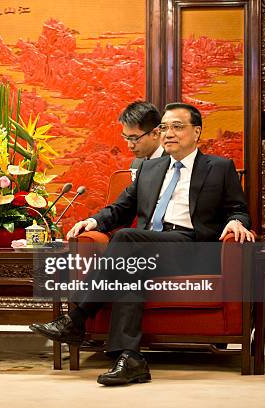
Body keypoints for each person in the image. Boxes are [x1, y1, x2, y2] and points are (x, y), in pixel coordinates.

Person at [30, 102, 253, 386]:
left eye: (177, 127)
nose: (169, 133)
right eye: (164, 128)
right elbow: (121, 208)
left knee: (126, 239)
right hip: (148, 249)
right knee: (130, 269)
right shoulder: (149, 168)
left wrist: (237, 222)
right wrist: (94, 222)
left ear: (197, 132)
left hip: (192, 249)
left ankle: (78, 317)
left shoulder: (219, 168)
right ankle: (130, 359)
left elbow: (239, 208)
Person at [118, 101, 166, 169]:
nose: (130, 145)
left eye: (134, 138)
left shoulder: (174, 162)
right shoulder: (136, 164)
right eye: (126, 138)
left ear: (155, 133)